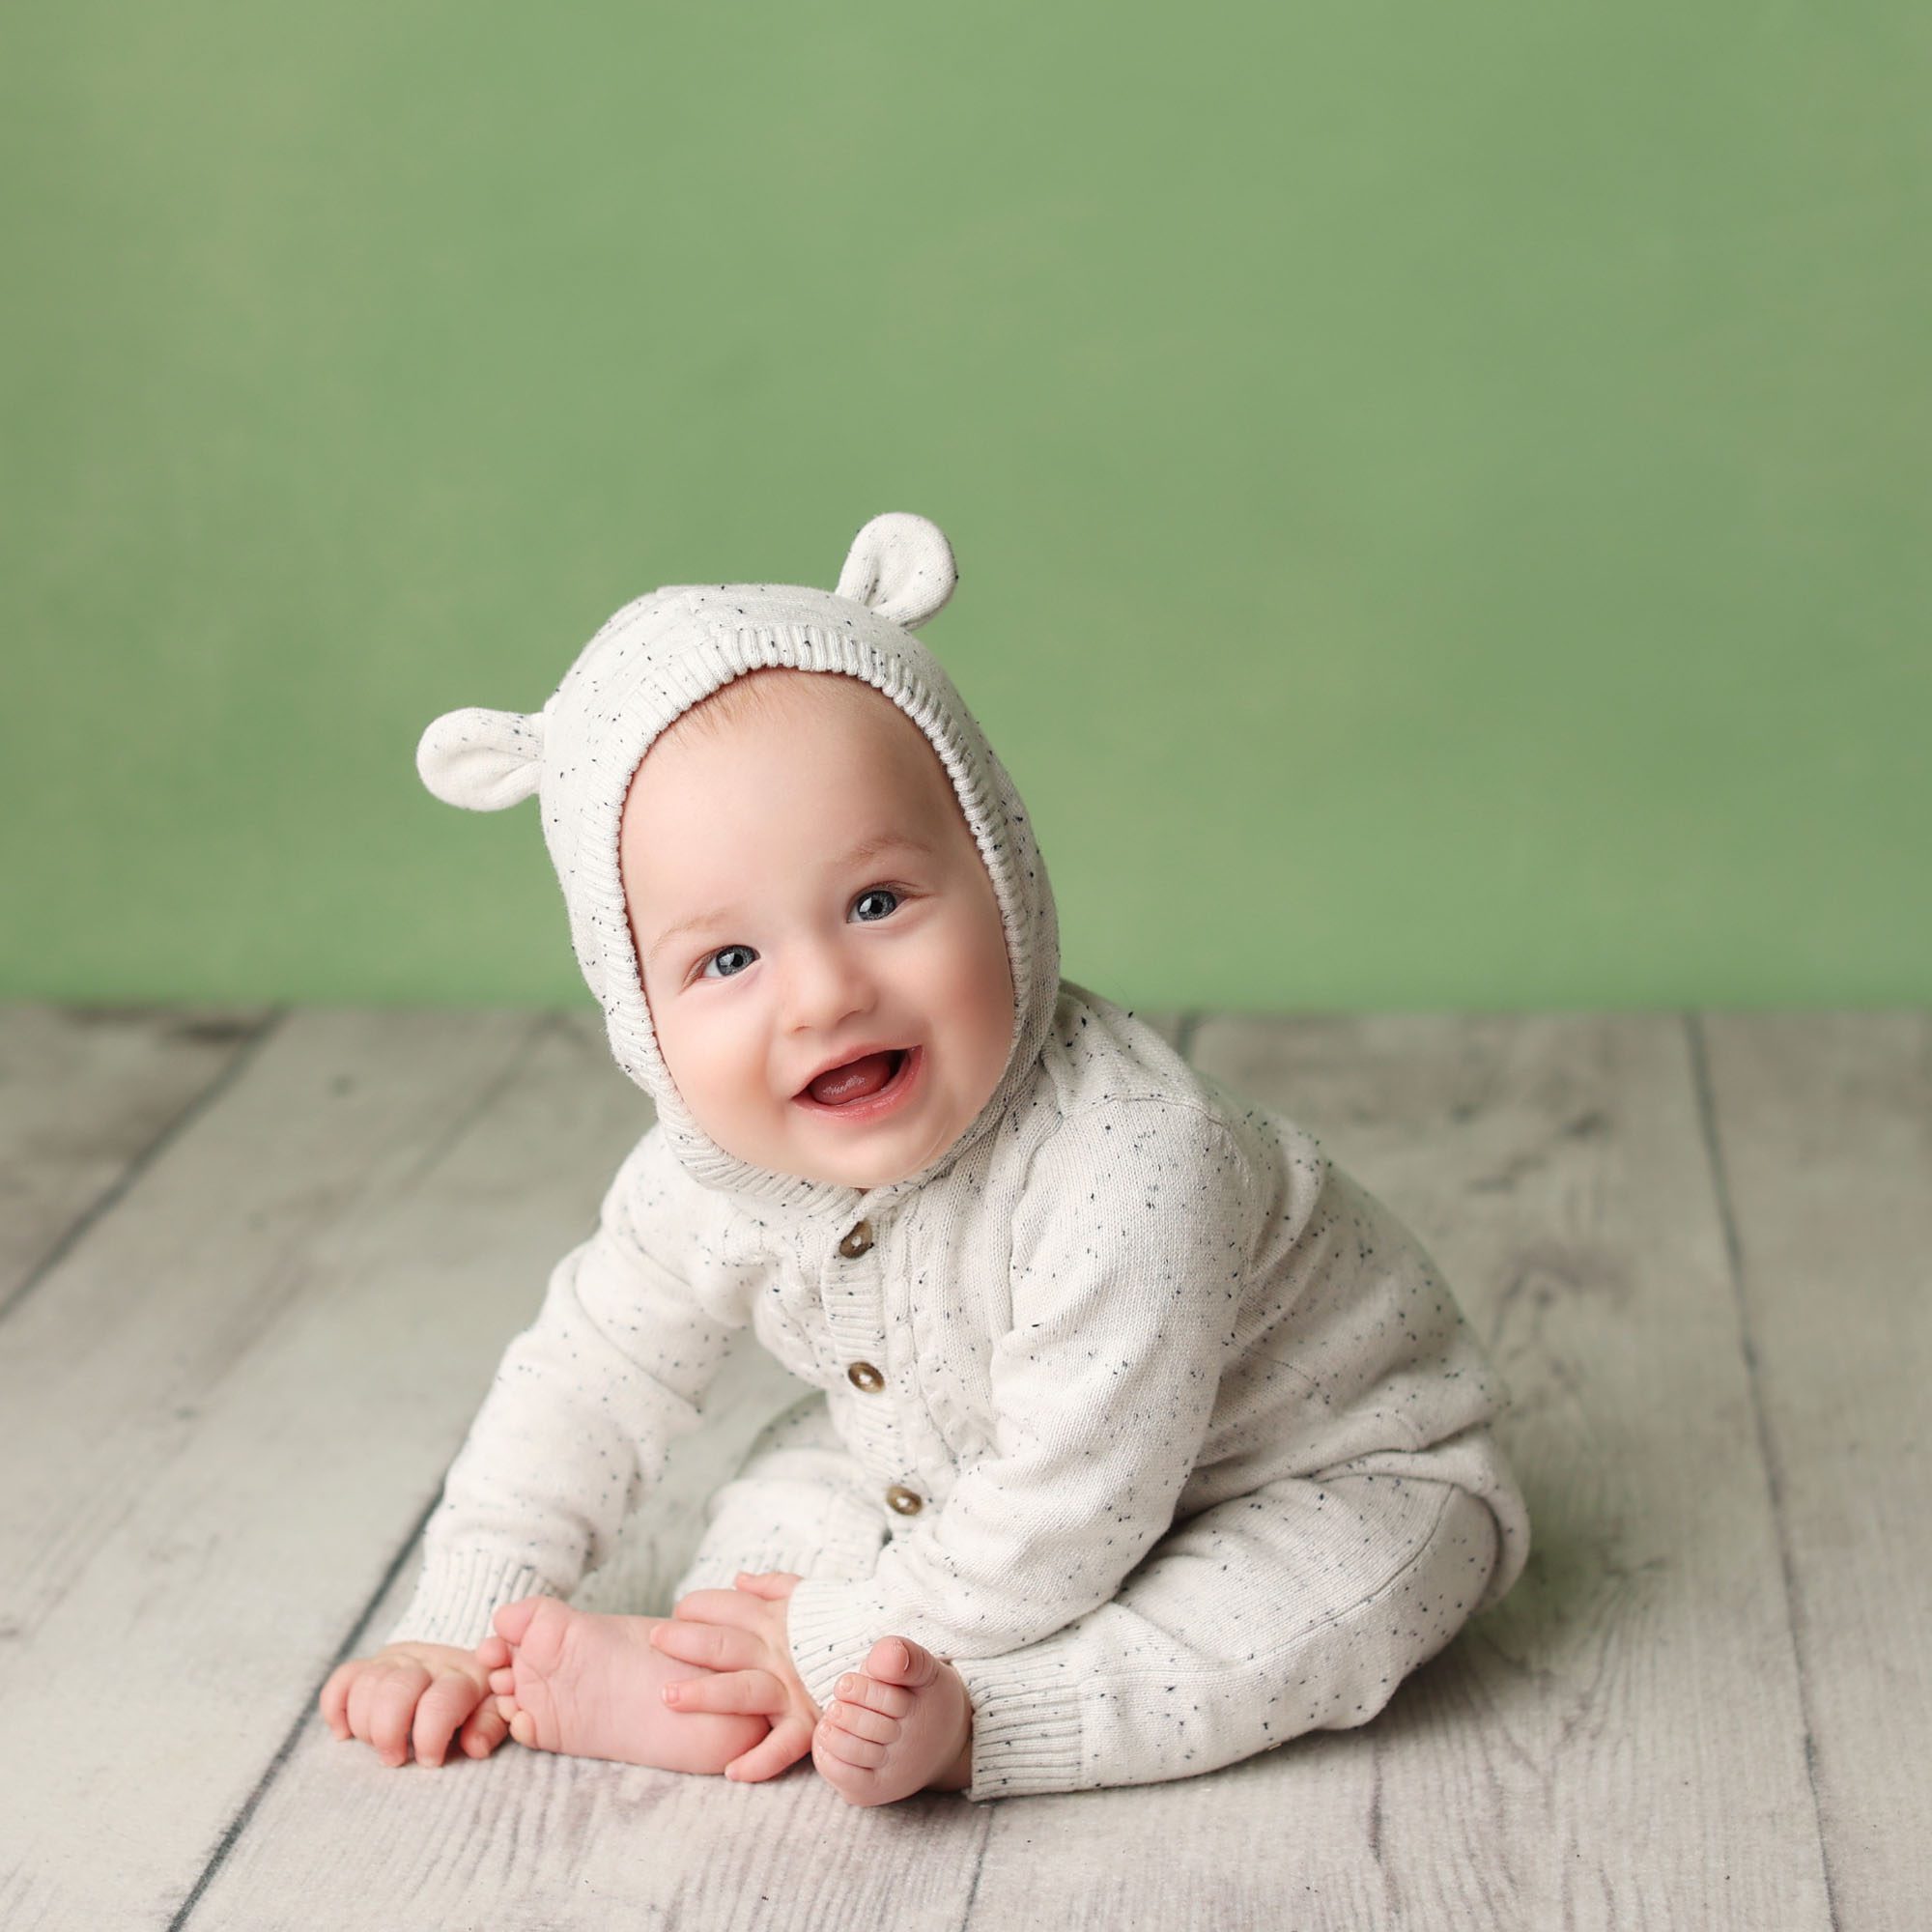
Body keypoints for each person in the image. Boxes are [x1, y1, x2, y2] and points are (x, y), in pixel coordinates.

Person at [319, 512, 1529, 1804]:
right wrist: (463, 1612)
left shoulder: (1130, 1157)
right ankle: (720, 1691)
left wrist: (832, 1640)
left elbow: (1077, 1506)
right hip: (955, 1472)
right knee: (781, 1509)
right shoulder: (705, 1174)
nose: (824, 995)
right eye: (728, 959)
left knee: (1323, 1605)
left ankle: (967, 1725)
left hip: (1312, 1470)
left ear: (1002, 876)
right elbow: (591, 1375)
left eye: (877, 902)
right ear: (639, 1008)